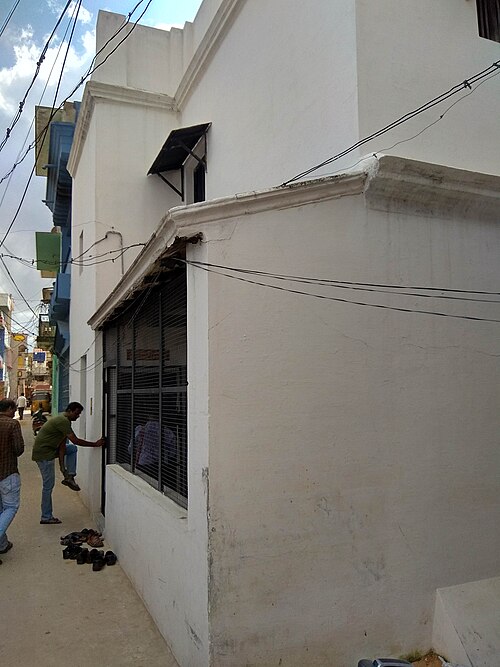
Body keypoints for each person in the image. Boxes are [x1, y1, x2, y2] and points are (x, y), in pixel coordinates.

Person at [32, 402, 105, 525]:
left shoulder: (64, 420)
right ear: (70, 411)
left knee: (71, 449)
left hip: (50, 450)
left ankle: (70, 476)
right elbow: (75, 440)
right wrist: (95, 444)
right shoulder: (63, 421)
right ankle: (46, 516)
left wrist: (64, 471)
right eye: (77, 413)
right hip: (44, 455)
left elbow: (62, 447)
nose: (78, 416)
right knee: (48, 486)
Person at [0, 399, 24, 564]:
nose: (15, 412)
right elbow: (19, 449)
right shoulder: (12, 424)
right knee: (10, 507)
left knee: (1, 509)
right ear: (9, 409)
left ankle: (2, 545)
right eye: (14, 409)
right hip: (7, 472)